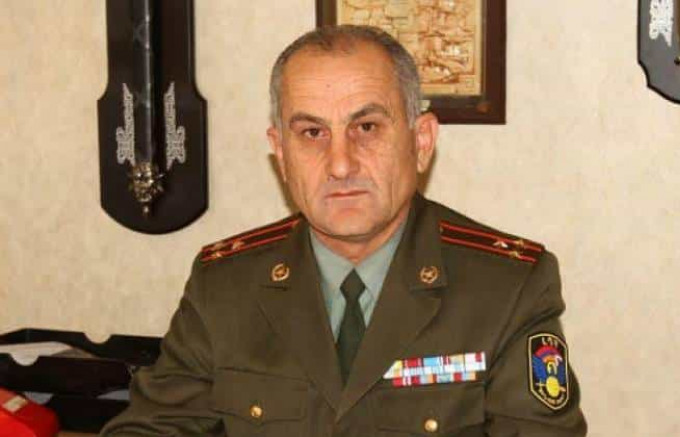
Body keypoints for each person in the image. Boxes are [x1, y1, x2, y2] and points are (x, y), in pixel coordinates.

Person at [101, 25, 587, 437]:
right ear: (281, 154)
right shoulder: (225, 285)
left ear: (421, 142)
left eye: (367, 128)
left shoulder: (506, 288)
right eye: (312, 133)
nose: (340, 164)